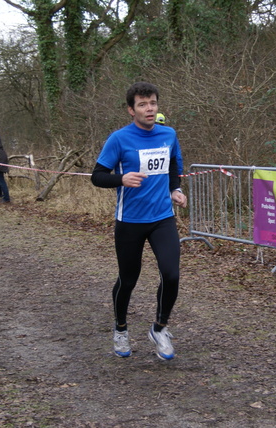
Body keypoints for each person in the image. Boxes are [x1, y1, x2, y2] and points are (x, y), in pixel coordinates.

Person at [91, 82, 186, 360]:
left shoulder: (168, 134)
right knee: (128, 279)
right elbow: (97, 175)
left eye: (153, 103)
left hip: (162, 219)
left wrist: (175, 189)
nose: (149, 108)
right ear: (131, 109)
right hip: (130, 220)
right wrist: (120, 179)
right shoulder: (119, 139)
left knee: (172, 274)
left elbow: (173, 167)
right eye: (143, 104)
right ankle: (120, 328)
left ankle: (159, 328)